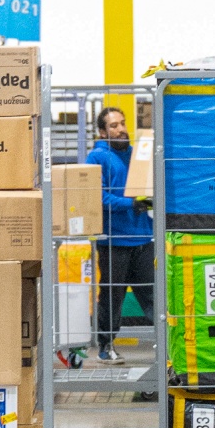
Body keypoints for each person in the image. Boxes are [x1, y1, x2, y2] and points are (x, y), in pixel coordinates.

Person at [86, 105, 155, 365]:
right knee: (112, 297)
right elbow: (97, 197)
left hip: (142, 238)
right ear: (103, 131)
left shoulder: (137, 156)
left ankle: (169, 344)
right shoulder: (97, 158)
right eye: (114, 125)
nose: (121, 129)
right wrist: (131, 204)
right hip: (114, 241)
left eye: (123, 123)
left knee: (152, 295)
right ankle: (106, 346)